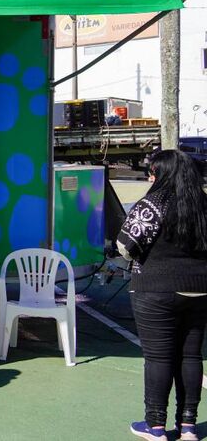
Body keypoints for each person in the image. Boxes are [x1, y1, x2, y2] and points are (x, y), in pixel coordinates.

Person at [118, 149, 207, 441]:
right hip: (200, 287)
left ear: (163, 173)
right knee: (191, 355)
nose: (149, 177)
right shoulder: (202, 203)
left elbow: (126, 245)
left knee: (158, 358)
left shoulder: (153, 203)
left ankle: (155, 426)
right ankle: (189, 426)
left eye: (152, 172)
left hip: (156, 289)